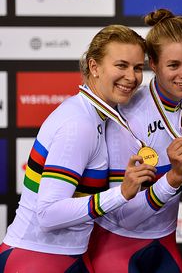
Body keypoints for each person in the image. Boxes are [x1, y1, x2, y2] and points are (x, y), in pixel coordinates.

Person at [0, 25, 154, 272]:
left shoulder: (96, 114)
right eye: (121, 65)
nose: (132, 77)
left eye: (138, 68)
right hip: (37, 259)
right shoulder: (78, 124)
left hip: (69, 257)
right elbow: (49, 214)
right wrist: (122, 193)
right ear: (94, 67)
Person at [87, 8, 182, 273]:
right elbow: (124, 216)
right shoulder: (128, 113)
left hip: (165, 241)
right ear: (153, 64)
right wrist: (172, 179)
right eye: (173, 65)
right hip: (117, 245)